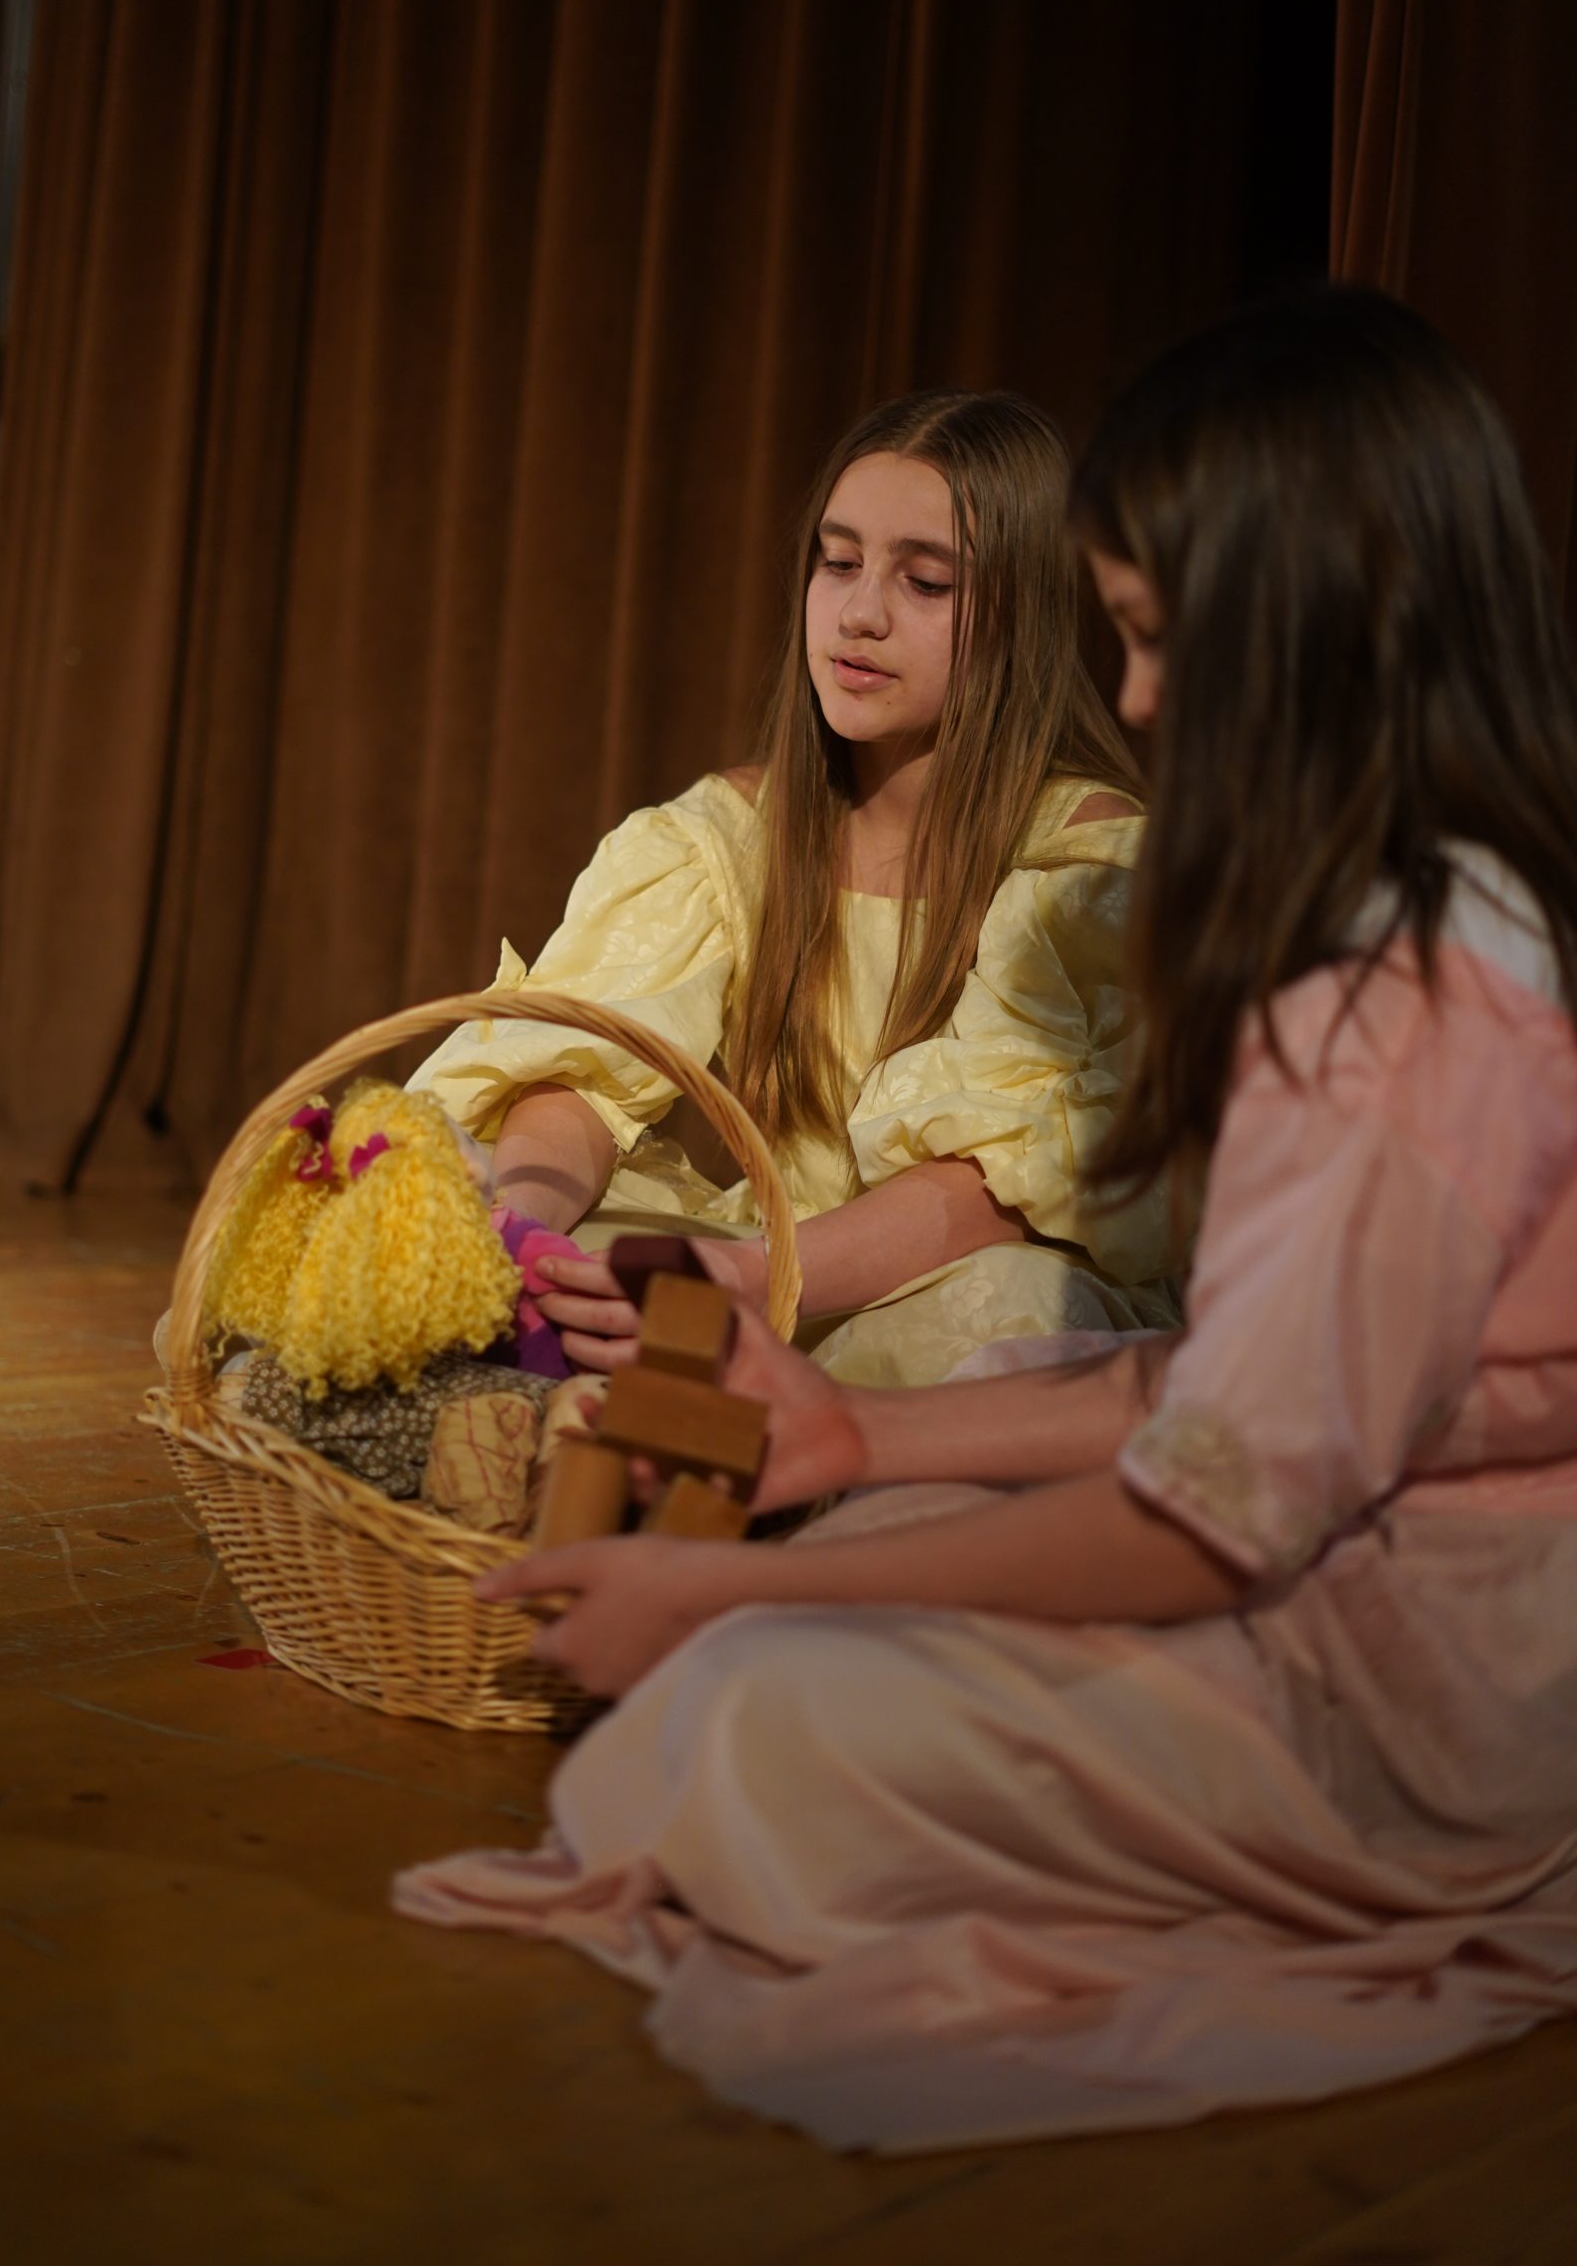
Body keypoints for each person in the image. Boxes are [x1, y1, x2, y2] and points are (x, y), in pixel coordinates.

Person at [396, 288, 1577, 2152]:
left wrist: (737, 1583)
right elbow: (1236, 1383)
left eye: (1161, 638)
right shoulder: (1387, 917)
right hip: (1330, 1525)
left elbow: (1218, 1496)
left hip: (1424, 1658)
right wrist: (857, 1439)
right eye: (836, 562)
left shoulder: (1386, 990)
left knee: (741, 1717)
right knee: (844, 1562)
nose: (1142, 698)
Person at [409, 389, 1179, 1388]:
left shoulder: (1082, 869)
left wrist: (752, 1276)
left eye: (926, 581)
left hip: (939, 1275)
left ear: (1019, 614)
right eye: (839, 561)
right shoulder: (728, 837)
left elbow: (1003, 1181)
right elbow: (585, 1070)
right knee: (568, 1247)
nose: (859, 614)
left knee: (1011, 1304)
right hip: (773, 1261)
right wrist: (518, 1239)